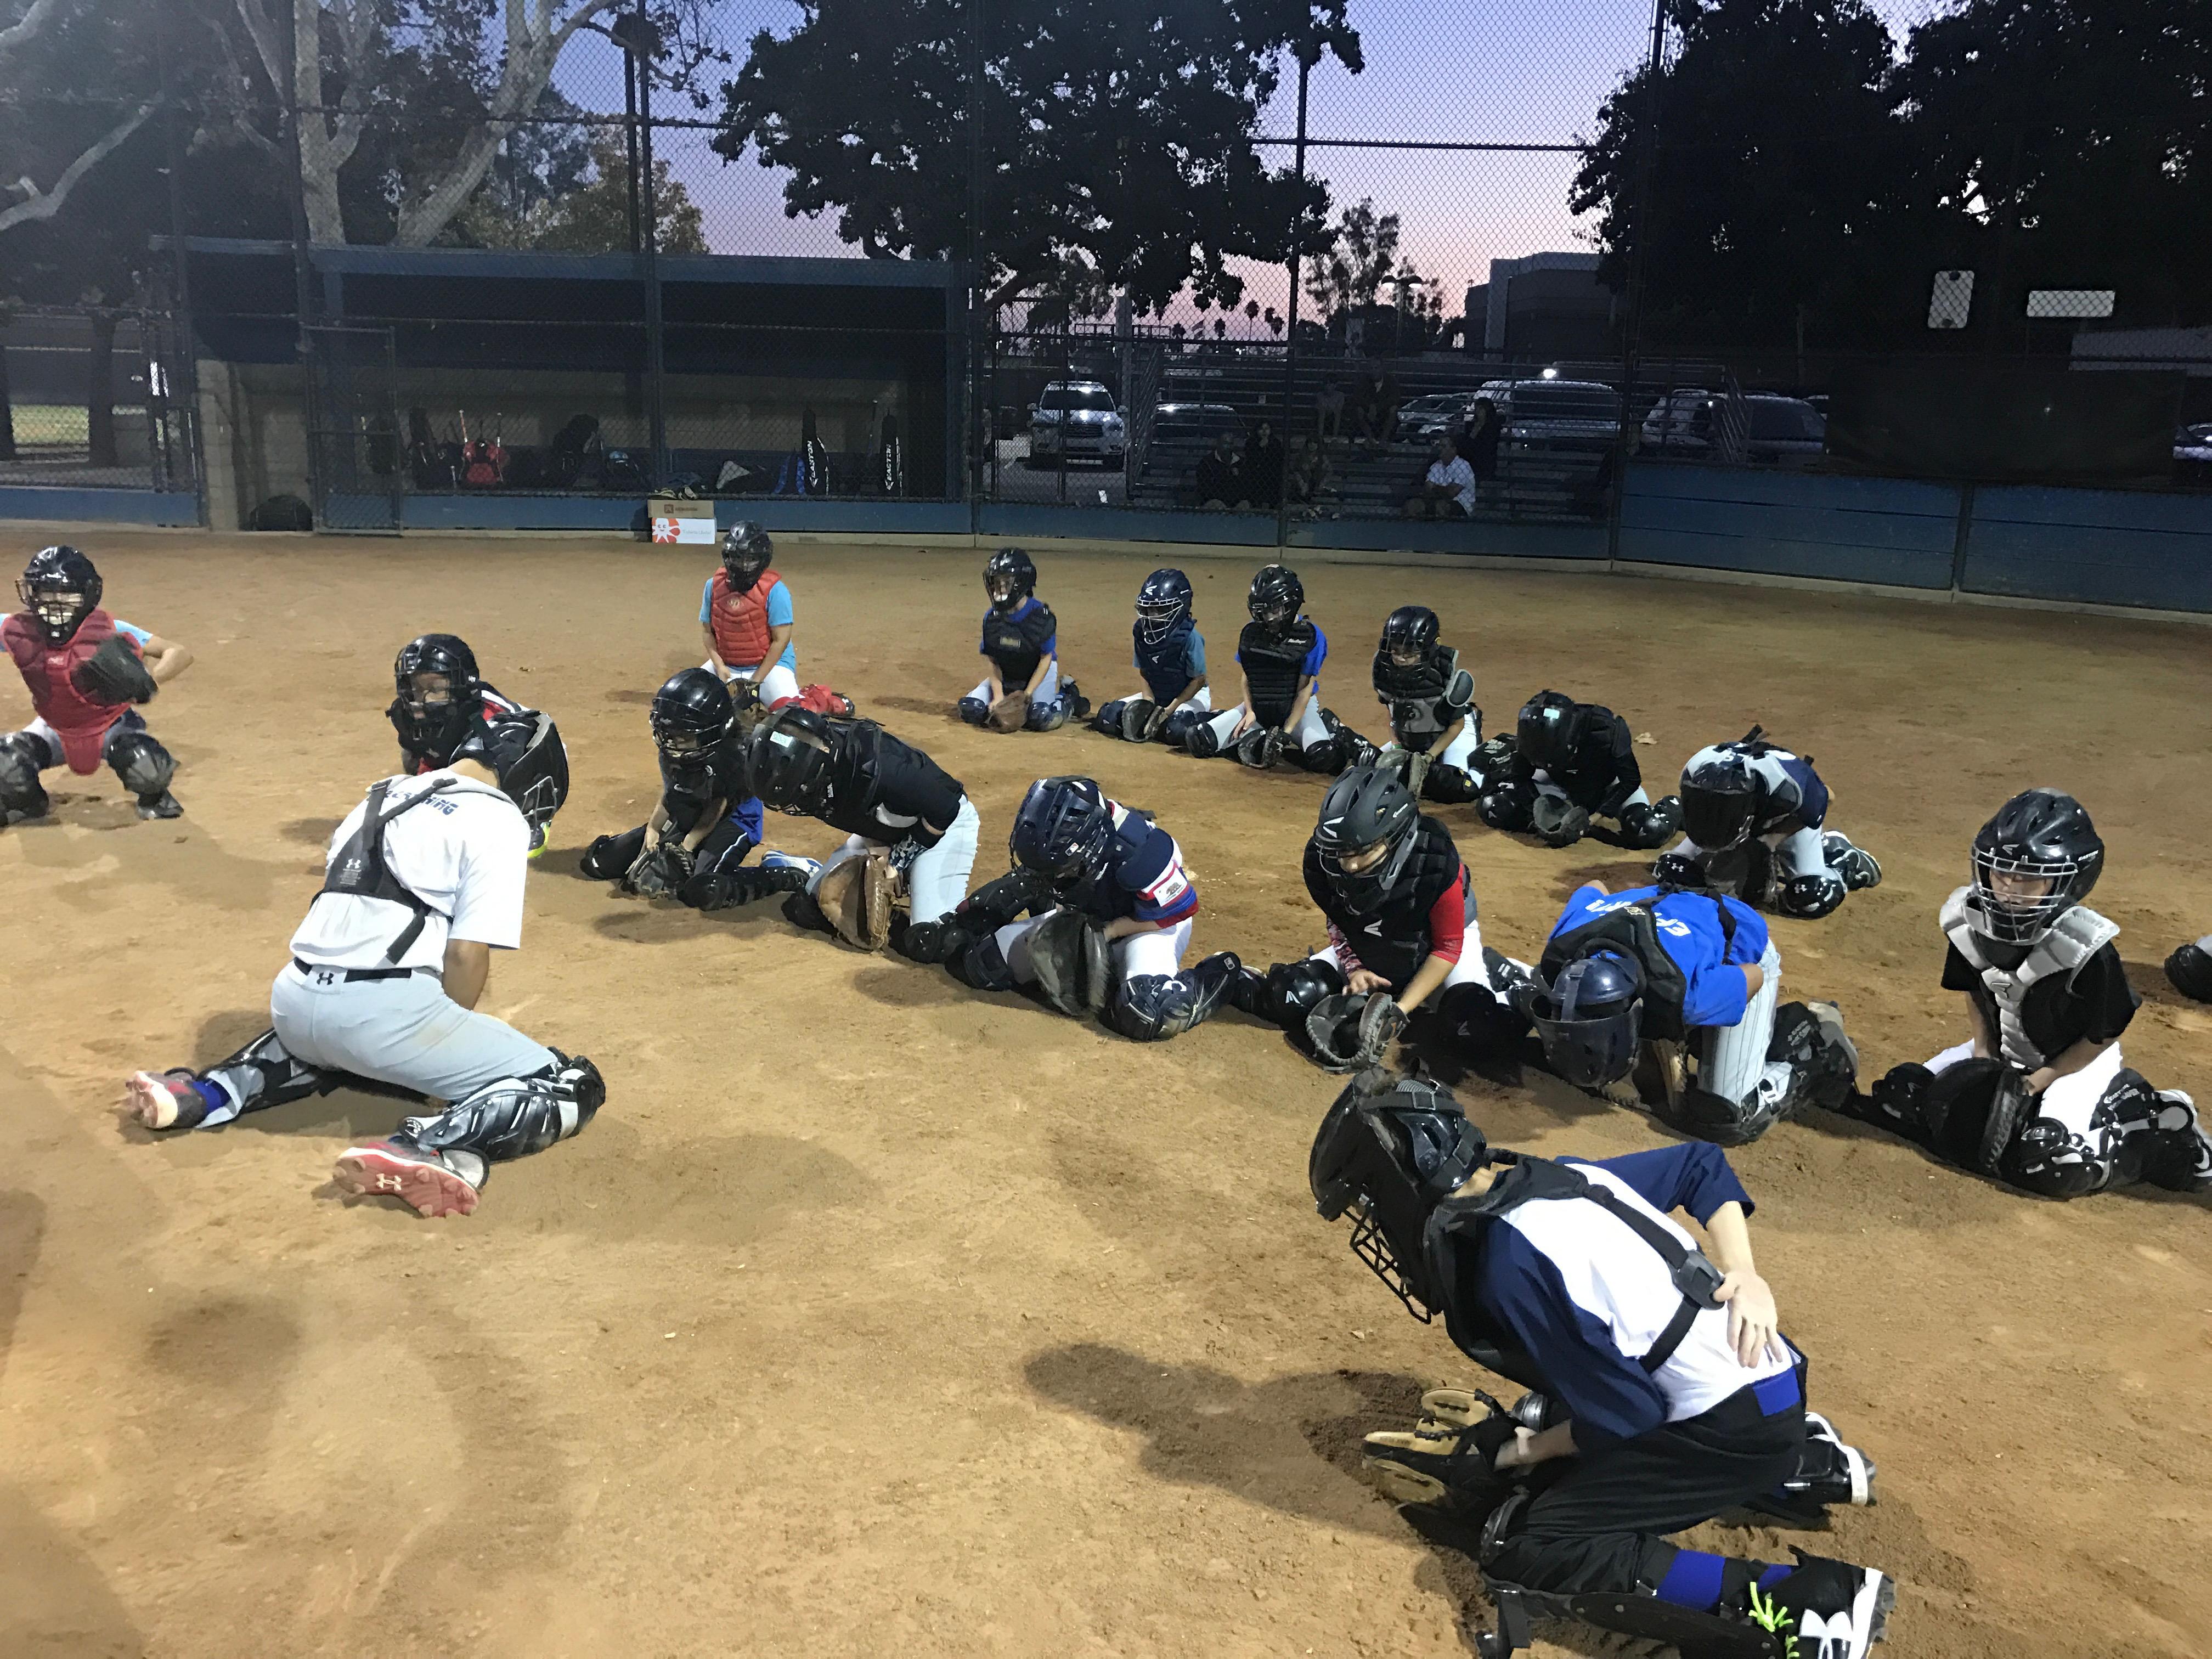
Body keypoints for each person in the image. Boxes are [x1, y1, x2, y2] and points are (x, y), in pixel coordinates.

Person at [1307, 1070, 1893, 1659]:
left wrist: (1518, 1453)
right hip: (1769, 1379)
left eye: (1371, 1200)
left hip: (1735, 1428)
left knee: (1534, 1544)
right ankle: (1809, 1464)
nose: (1376, 1221)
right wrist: (1744, 1271)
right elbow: (1700, 1164)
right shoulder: (1562, 1177)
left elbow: (1629, 1415)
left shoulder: (1507, 1267)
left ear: (1406, 1187)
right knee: (1549, 1411)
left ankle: (1813, 1600)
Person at [122, 708, 595, 1220]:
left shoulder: (379, 793)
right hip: (380, 1019)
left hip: (293, 1003)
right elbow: (466, 953)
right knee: (567, 1083)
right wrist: (439, 1031)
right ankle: (429, 1148)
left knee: (325, 1044)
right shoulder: (497, 814)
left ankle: (205, 1093)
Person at [1844, 789, 2211, 1197]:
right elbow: (1973, 991)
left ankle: (2155, 1122)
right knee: (1900, 1100)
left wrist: (2040, 1081)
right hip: (2006, 1048)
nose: (2010, 888)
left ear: (2070, 880)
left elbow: (2101, 1035)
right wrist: (1983, 1054)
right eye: (2001, 873)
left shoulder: (2087, 947)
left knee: (2054, 1166)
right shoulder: (1967, 922)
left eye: (2029, 878)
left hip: (2080, 1064)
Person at [1465, 871, 1860, 1145]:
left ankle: (1818, 1043)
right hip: (1657, 917)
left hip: (1738, 947)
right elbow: (1595, 888)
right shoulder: (1564, 947)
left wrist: (1700, 1021)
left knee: (1726, 1113)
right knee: (1548, 993)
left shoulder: (1685, 993)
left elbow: (1754, 973)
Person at [1229, 766, 1507, 1071]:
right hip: (1370, 938)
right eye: (1342, 851)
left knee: (1475, 1027)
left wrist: (1399, 1011)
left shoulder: (1434, 864)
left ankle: (1505, 976)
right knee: (1291, 996)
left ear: (1396, 838)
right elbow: (1339, 919)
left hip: (1432, 945)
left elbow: (1447, 947)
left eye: (1362, 851)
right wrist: (1355, 968)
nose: (1349, 864)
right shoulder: (1327, 860)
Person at [950, 775, 1244, 1041]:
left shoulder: (1140, 852)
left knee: (1148, 1013)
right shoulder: (1051, 832)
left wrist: (1109, 931)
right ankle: (1113, 969)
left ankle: (1221, 974)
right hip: (1090, 917)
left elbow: (1181, 910)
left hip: (1149, 922)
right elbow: (1031, 881)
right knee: (986, 966)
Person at [750, 703, 982, 964]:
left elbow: (945, 809)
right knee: (806, 908)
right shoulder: (812, 766)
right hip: (885, 827)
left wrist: (897, 863)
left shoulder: (885, 770)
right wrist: (881, 853)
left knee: (928, 941)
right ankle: (811, 870)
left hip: (942, 827)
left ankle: (992, 916)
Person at [578, 669, 814, 911]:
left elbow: (716, 808)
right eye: (670, 733)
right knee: (599, 862)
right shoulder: (676, 750)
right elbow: (672, 794)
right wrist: (653, 830)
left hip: (734, 820)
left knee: (705, 890)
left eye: (683, 735)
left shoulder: (735, 755)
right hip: (691, 809)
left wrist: (686, 847)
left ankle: (783, 874)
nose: (672, 741)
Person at [3, 544, 191, 825]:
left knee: (148, 767)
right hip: (52, 727)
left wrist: (147, 682)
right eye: (47, 593)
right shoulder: (19, 629)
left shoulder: (107, 631)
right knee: (6, 765)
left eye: (67, 596)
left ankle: (155, 798)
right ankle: (28, 804)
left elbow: (179, 653)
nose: (55, 604)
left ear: (87, 596)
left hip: (111, 726)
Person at [1663, 728, 1882, 918]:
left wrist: (1768, 842)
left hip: (1781, 827)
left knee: (1812, 898)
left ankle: (1842, 858)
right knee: (1673, 871)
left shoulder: (1786, 785)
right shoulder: (1696, 770)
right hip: (1731, 826)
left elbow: (1826, 800)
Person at [386, 634, 567, 854]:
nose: (420, 700)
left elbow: (523, 744)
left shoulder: (495, 720)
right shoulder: (409, 712)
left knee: (500, 762)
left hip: (529, 759)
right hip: (460, 752)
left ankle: (531, 817)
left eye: (435, 689)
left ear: (462, 685)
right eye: (414, 688)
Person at [1186, 564, 1365, 773]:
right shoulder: (1253, 634)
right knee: (1200, 740)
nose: (1269, 618)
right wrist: (1251, 711)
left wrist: (1286, 733)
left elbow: (1303, 691)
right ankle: (1252, 732)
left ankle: (1334, 729)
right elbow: (1247, 677)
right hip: (1260, 706)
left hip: (1296, 710)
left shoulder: (1311, 636)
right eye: (1263, 611)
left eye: (1274, 610)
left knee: (1323, 756)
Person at [1479, 691, 1680, 850]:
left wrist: (1594, 819)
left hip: (1608, 787)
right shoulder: (1533, 734)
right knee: (1494, 807)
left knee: (1651, 830)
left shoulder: (1605, 732)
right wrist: (1537, 811)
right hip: (1557, 784)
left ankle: (1675, 807)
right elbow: (1520, 776)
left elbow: (1630, 780)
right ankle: (1563, 811)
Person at [957, 547, 1086, 733]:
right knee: (972, 709)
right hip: (1008, 673)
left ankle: (1068, 696)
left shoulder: (1041, 618)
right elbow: (993, 661)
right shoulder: (992, 618)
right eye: (996, 582)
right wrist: (999, 696)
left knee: (1041, 717)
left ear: (1021, 583)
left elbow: (1046, 659)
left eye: (1006, 582)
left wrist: (1026, 696)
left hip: (1037, 673)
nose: (998, 589)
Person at [1370, 605, 1485, 804]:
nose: (1400, 658)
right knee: (1371, 774)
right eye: (1396, 650)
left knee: (1462, 787)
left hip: (1450, 732)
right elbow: (1392, 714)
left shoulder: (1446, 674)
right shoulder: (1385, 670)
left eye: (1409, 652)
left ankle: (1487, 765)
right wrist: (1397, 746)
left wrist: (1429, 758)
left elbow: (1456, 725)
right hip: (1413, 735)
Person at [1089, 568, 1212, 747]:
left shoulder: (1190, 637)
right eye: (1148, 609)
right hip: (1157, 694)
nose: (1152, 615)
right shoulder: (1142, 633)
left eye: (1159, 609)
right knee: (1108, 717)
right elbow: (1144, 671)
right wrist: (1148, 701)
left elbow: (1199, 680)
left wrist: (1170, 710)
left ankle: (1212, 718)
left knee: (1176, 730)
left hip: (1190, 697)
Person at [699, 522, 802, 707]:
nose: (744, 566)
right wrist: (720, 667)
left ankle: (821, 700)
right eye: (738, 559)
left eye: (751, 559)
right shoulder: (713, 587)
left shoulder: (776, 591)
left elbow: (781, 641)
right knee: (687, 707)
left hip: (770, 667)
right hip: (726, 665)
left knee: (790, 719)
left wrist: (755, 682)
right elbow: (708, 632)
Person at [1403, 431, 1476, 519]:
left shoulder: (1463, 466)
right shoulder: (1436, 465)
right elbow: (1427, 489)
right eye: (1439, 446)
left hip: (1460, 504)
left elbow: (1451, 493)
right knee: (1413, 504)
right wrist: (1441, 490)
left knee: (1441, 505)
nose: (1440, 449)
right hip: (1436, 500)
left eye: (1444, 446)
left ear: (1454, 449)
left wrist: (1434, 487)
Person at [1454, 397, 1501, 502]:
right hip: (1468, 458)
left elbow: (1486, 446)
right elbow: (1468, 444)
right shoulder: (1470, 426)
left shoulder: (1492, 427)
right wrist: (1476, 428)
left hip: (1483, 461)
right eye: (1477, 409)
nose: (1479, 412)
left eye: (1482, 409)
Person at [1351, 362, 1399, 452]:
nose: (1374, 371)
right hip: (1368, 411)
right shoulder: (1364, 381)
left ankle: (1383, 440)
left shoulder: (1391, 381)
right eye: (1371, 368)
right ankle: (1371, 440)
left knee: (1394, 409)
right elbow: (1358, 397)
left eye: (1376, 368)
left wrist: (1377, 407)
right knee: (1359, 410)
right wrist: (1370, 407)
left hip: (1384, 411)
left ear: (1382, 369)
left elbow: (1394, 399)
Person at [1284, 436, 1336, 518]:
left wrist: (1322, 484)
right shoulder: (1301, 456)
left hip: (1317, 485)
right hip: (1302, 484)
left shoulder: (1323, 458)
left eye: (1315, 443)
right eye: (1310, 443)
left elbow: (1329, 472)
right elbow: (1296, 471)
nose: (1312, 445)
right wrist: (1302, 485)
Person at [1195, 430, 1246, 510]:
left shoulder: (1241, 462)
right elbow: (1204, 488)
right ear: (1218, 444)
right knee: (1215, 504)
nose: (1228, 447)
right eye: (1225, 444)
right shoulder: (1207, 462)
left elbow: (1245, 485)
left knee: (1245, 504)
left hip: (1237, 502)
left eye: (1231, 444)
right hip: (1214, 501)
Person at [1242, 418, 1286, 510]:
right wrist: (1259, 447)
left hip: (1272, 476)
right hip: (1256, 475)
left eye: (1267, 429)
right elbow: (1251, 459)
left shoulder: (1276, 443)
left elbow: (1278, 460)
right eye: (1262, 429)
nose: (1264, 432)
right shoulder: (1251, 442)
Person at [1314, 378, 1346, 446]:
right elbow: (1319, 407)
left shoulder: (1340, 395)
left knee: (1337, 414)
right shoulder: (1320, 395)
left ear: (1335, 385)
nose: (1328, 386)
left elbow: (1340, 408)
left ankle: (1335, 437)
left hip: (1335, 416)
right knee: (1322, 412)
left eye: (1330, 384)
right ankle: (1320, 436)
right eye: (1326, 384)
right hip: (1323, 415)